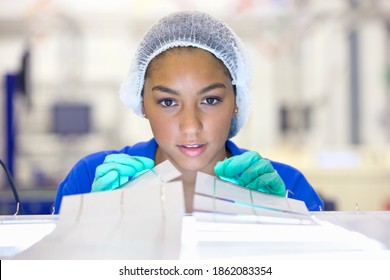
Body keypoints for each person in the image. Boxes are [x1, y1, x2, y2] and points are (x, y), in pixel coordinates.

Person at [53, 11, 324, 214]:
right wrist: (92, 229)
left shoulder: (287, 188)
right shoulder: (91, 180)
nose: (191, 126)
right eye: (168, 102)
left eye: (210, 100)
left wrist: (286, 226)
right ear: (143, 104)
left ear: (236, 101)